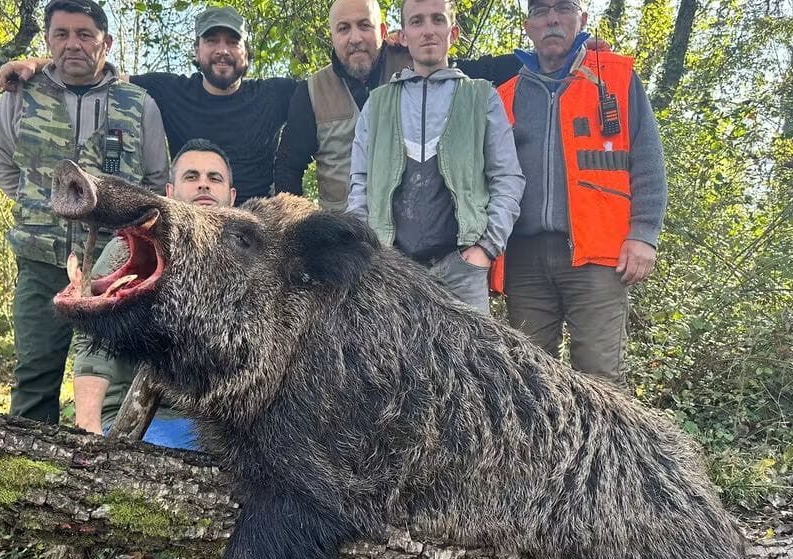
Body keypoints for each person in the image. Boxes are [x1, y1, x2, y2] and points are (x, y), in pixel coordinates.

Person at [0, 0, 168, 424]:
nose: (73, 44)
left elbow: (156, 180)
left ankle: (109, 465)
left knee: (112, 374)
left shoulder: (138, 103)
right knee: (35, 372)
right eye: (62, 34)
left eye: (85, 34)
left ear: (105, 43)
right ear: (49, 40)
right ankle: (26, 467)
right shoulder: (21, 97)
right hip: (42, 261)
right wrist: (46, 208)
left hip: (116, 266)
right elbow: (3, 168)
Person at [495, 0, 667, 384]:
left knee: (601, 378)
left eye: (563, 8)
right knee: (527, 382)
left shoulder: (616, 77)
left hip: (597, 256)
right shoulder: (505, 95)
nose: (552, 18)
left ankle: (615, 447)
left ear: (582, 19)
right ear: (528, 26)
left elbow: (648, 158)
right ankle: (540, 448)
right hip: (524, 260)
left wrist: (644, 235)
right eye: (541, 11)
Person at [0, 6, 296, 205]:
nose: (222, 50)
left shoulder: (275, 94)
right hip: (192, 226)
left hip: (254, 231)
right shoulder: (168, 90)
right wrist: (37, 63)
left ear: (247, 52)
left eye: (233, 41)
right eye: (212, 41)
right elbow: (94, 68)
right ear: (196, 50)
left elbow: (327, 90)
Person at [347, 0, 524, 313]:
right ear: (402, 36)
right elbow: (359, 185)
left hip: (462, 271)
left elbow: (507, 178)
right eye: (417, 21)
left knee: (472, 362)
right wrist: (370, 254)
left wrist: (485, 248)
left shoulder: (481, 97)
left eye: (437, 20)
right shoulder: (377, 104)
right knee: (392, 362)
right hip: (392, 271)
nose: (428, 31)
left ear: (452, 32)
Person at [274, 0, 522, 212]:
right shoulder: (311, 92)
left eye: (364, 25)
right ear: (332, 36)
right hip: (345, 240)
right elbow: (288, 167)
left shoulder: (417, 63)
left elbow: (483, 72)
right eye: (343, 29)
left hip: (409, 237)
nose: (355, 38)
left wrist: (545, 58)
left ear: (383, 31)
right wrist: (305, 234)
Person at [73, 139, 237, 448]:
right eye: (191, 176)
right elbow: (93, 345)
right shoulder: (129, 247)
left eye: (214, 178)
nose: (204, 185)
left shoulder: (250, 262)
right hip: (146, 419)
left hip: (222, 423)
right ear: (170, 193)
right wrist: (87, 428)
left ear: (231, 196)